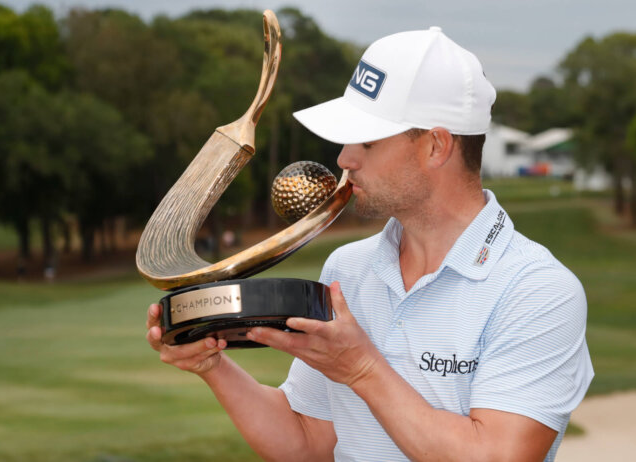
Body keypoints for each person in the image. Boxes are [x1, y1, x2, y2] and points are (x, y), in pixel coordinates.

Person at [146, 26, 593, 462]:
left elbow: (497, 455)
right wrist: (213, 367)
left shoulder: (538, 290)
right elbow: (307, 443)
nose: (345, 159)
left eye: (367, 142)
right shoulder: (349, 269)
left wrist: (361, 368)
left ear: (436, 146)